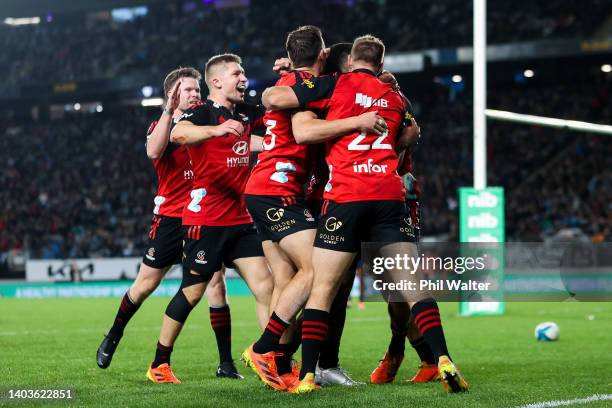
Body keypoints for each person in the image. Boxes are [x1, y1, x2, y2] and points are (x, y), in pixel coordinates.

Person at [261, 35, 468, 394]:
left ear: (351, 58)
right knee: (411, 286)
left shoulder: (334, 85)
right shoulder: (395, 97)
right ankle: (443, 359)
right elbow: (410, 133)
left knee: (323, 287)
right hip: (389, 196)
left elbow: (283, 106)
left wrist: (290, 75)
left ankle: (309, 374)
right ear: (382, 64)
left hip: (346, 196)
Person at [241, 27, 383, 392]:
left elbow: (273, 95)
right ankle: (264, 349)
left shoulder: (293, 81)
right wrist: (358, 120)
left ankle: (282, 366)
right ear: (321, 55)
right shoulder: (308, 87)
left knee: (288, 280)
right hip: (278, 191)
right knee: (316, 271)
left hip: (267, 189)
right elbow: (298, 126)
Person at [97, 68, 235, 378]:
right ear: (171, 94)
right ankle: (114, 334)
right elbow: (154, 151)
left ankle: (225, 363)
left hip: (205, 215)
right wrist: (168, 110)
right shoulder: (162, 126)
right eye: (186, 90)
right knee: (145, 285)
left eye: (196, 89)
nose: (194, 93)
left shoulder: (209, 121)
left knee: (215, 285)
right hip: (171, 218)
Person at [145, 54, 273, 384]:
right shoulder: (200, 112)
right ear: (216, 82)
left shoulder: (247, 112)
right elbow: (179, 135)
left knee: (266, 286)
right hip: (206, 221)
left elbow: (267, 130)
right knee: (192, 292)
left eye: (244, 71)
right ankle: (160, 363)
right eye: (236, 73)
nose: (243, 78)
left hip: (240, 218)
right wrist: (217, 131)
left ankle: (273, 360)